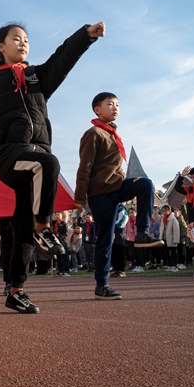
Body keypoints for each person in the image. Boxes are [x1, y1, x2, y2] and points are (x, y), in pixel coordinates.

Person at [0, 22, 106, 313]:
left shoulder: (37, 77)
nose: (23, 43)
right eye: (16, 39)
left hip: (36, 154)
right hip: (7, 153)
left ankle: (16, 291)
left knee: (22, 224)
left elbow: (63, 59)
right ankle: (44, 228)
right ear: (1, 46)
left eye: (27, 40)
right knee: (49, 164)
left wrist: (84, 36)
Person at [74, 92, 162, 300]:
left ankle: (142, 232)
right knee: (105, 239)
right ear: (97, 110)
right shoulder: (94, 133)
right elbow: (85, 166)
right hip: (100, 193)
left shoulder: (113, 134)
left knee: (145, 184)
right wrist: (79, 198)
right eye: (110, 104)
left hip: (118, 187)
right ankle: (102, 285)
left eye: (117, 105)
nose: (115, 108)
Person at [159, 205, 180, 272]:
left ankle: (174, 265)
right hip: (164, 238)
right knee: (167, 252)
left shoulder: (173, 219)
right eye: (163, 211)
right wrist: (156, 210)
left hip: (171, 239)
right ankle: (169, 265)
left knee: (173, 252)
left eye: (165, 211)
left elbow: (176, 230)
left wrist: (176, 240)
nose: (164, 212)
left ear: (169, 211)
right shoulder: (163, 218)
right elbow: (156, 217)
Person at [52, 212, 70, 277]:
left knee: (64, 257)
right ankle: (60, 270)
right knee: (59, 257)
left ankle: (66, 271)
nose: (56, 216)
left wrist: (59, 237)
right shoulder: (54, 223)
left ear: (62, 215)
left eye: (58, 215)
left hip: (62, 242)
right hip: (56, 243)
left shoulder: (64, 224)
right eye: (56, 215)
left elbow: (65, 233)